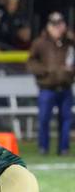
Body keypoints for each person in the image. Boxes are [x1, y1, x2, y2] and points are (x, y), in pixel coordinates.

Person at [26, 12, 75, 155]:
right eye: (54, 25)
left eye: (60, 24)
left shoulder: (69, 42)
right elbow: (31, 62)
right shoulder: (40, 43)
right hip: (47, 88)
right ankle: (43, 148)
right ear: (48, 26)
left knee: (66, 120)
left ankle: (64, 148)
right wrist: (45, 71)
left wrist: (70, 72)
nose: (58, 27)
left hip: (65, 87)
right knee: (44, 120)